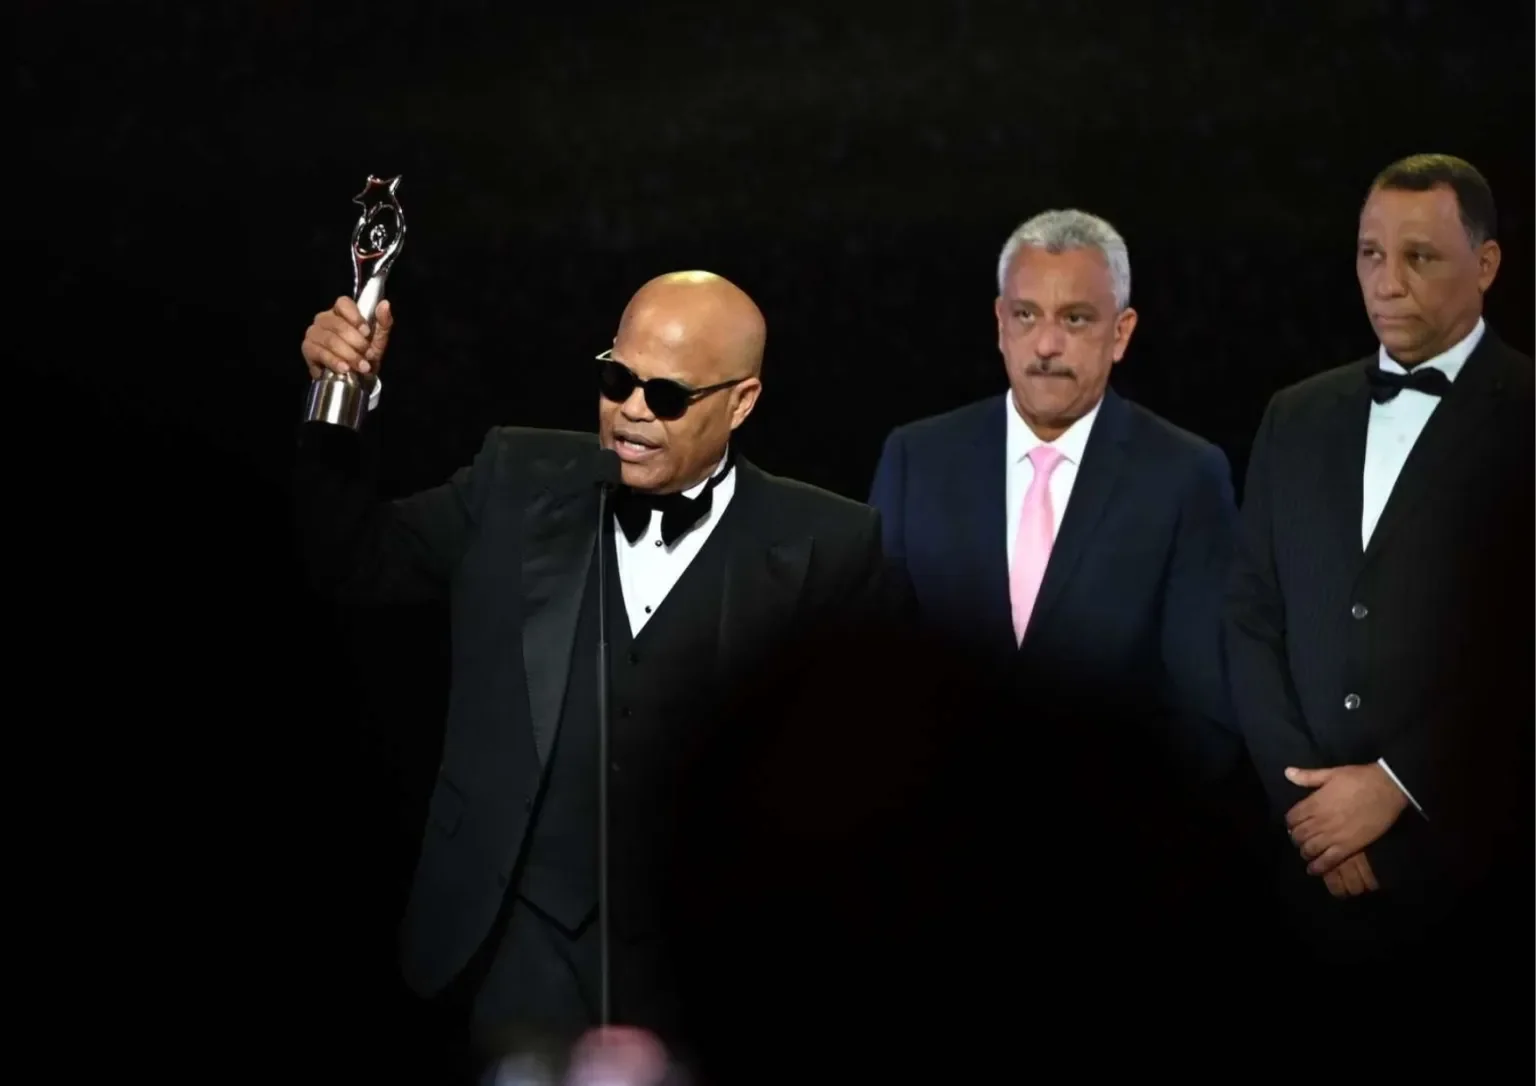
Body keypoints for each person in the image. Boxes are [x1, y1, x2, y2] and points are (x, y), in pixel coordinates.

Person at [294, 270, 892, 1082]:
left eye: (669, 395)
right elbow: (352, 564)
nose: (633, 409)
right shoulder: (516, 477)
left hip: (707, 970)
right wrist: (339, 399)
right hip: (507, 945)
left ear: (742, 402)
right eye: (617, 379)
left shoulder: (834, 545)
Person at [865, 209, 1259, 1002]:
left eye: (1076, 320)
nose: (1046, 345)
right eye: (1027, 317)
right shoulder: (917, 457)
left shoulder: (1184, 476)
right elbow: (871, 673)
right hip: (930, 892)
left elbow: (1207, 709)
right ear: (999, 325)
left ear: (1121, 332)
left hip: (1112, 900)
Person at [1224, 154, 1533, 999]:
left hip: (1482, 870)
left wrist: (1401, 784)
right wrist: (1309, 812)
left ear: (1488, 264)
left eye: (1419, 256)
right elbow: (1250, 618)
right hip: (1303, 872)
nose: (1387, 281)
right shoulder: (1296, 414)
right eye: (1368, 254)